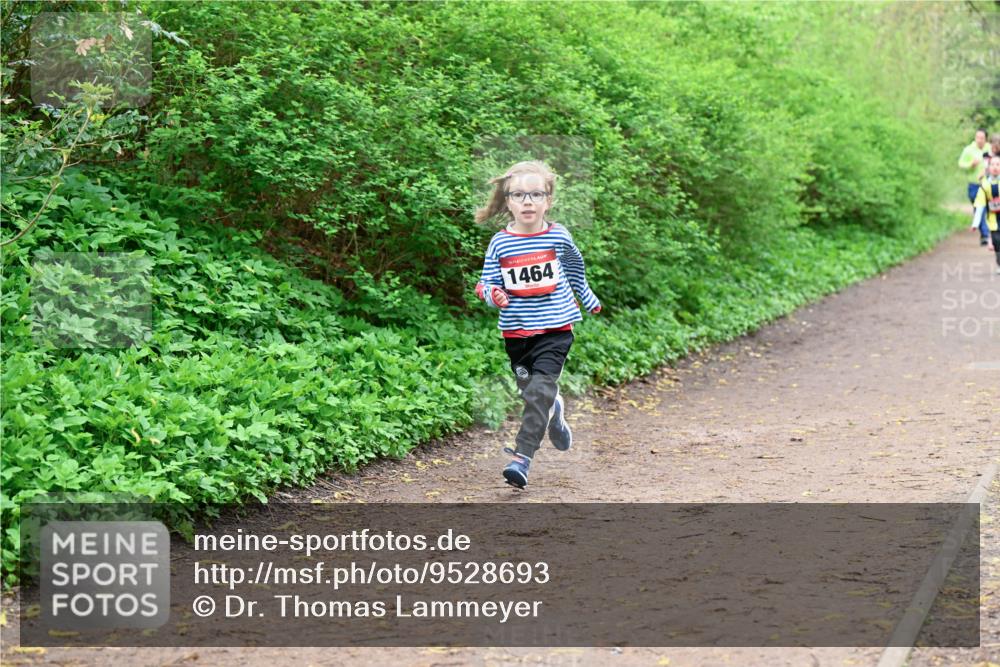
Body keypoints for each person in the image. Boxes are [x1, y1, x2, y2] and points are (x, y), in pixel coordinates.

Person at [473, 160, 601, 489]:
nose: (527, 201)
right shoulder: (500, 243)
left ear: (548, 200)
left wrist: (586, 297)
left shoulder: (558, 236)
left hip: (556, 329)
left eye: (535, 194)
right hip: (517, 333)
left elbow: (575, 269)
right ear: (507, 203)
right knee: (532, 395)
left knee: (538, 393)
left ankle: (521, 458)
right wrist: (494, 295)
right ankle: (555, 409)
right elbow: (484, 285)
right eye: (518, 194)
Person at [959, 129, 990, 245]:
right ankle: (985, 233)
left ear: (986, 138)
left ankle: (985, 235)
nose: (979, 140)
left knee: (985, 208)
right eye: (977, 137)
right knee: (978, 208)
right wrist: (970, 164)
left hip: (988, 184)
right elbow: (961, 164)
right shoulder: (969, 150)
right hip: (973, 184)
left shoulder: (990, 149)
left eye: (982, 138)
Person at [971, 154, 1000, 273]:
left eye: (998, 164)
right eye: (992, 164)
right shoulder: (984, 186)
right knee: (997, 243)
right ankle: (999, 264)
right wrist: (975, 223)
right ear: (988, 167)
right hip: (993, 220)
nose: (995, 167)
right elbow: (980, 205)